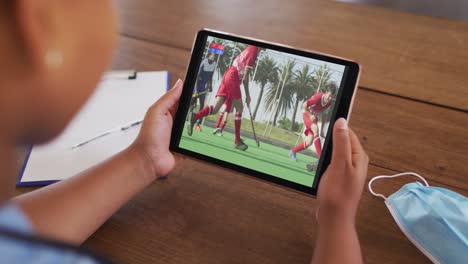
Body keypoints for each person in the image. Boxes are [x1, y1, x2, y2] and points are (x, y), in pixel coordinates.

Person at [0, 2, 368, 263]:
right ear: (37, 22)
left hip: (229, 85)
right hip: (232, 80)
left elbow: (12, 234)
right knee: (229, 110)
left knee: (230, 111)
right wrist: (337, 220)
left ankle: (231, 135)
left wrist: (144, 160)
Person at [188, 45, 259, 151]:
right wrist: (248, 95)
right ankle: (237, 140)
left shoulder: (250, 48)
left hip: (228, 74)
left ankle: (194, 117)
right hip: (233, 77)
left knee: (215, 109)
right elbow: (245, 78)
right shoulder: (254, 50)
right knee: (239, 108)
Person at [289, 84, 336, 171]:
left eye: (331, 97)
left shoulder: (329, 103)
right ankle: (320, 158)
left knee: (309, 142)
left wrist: (322, 130)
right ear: (326, 92)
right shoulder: (318, 97)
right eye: (329, 96)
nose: (330, 98)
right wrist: (310, 115)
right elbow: (304, 105)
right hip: (306, 114)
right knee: (315, 129)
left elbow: (324, 115)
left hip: (314, 117)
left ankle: (293, 151)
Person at [192, 53, 217, 132]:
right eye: (213, 56)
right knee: (192, 103)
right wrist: (195, 89)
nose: (213, 57)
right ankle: (189, 118)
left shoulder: (214, 64)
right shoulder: (204, 62)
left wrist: (210, 86)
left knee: (202, 105)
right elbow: (197, 75)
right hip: (197, 85)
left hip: (203, 87)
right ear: (209, 56)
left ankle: (197, 124)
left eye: (215, 57)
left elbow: (211, 76)